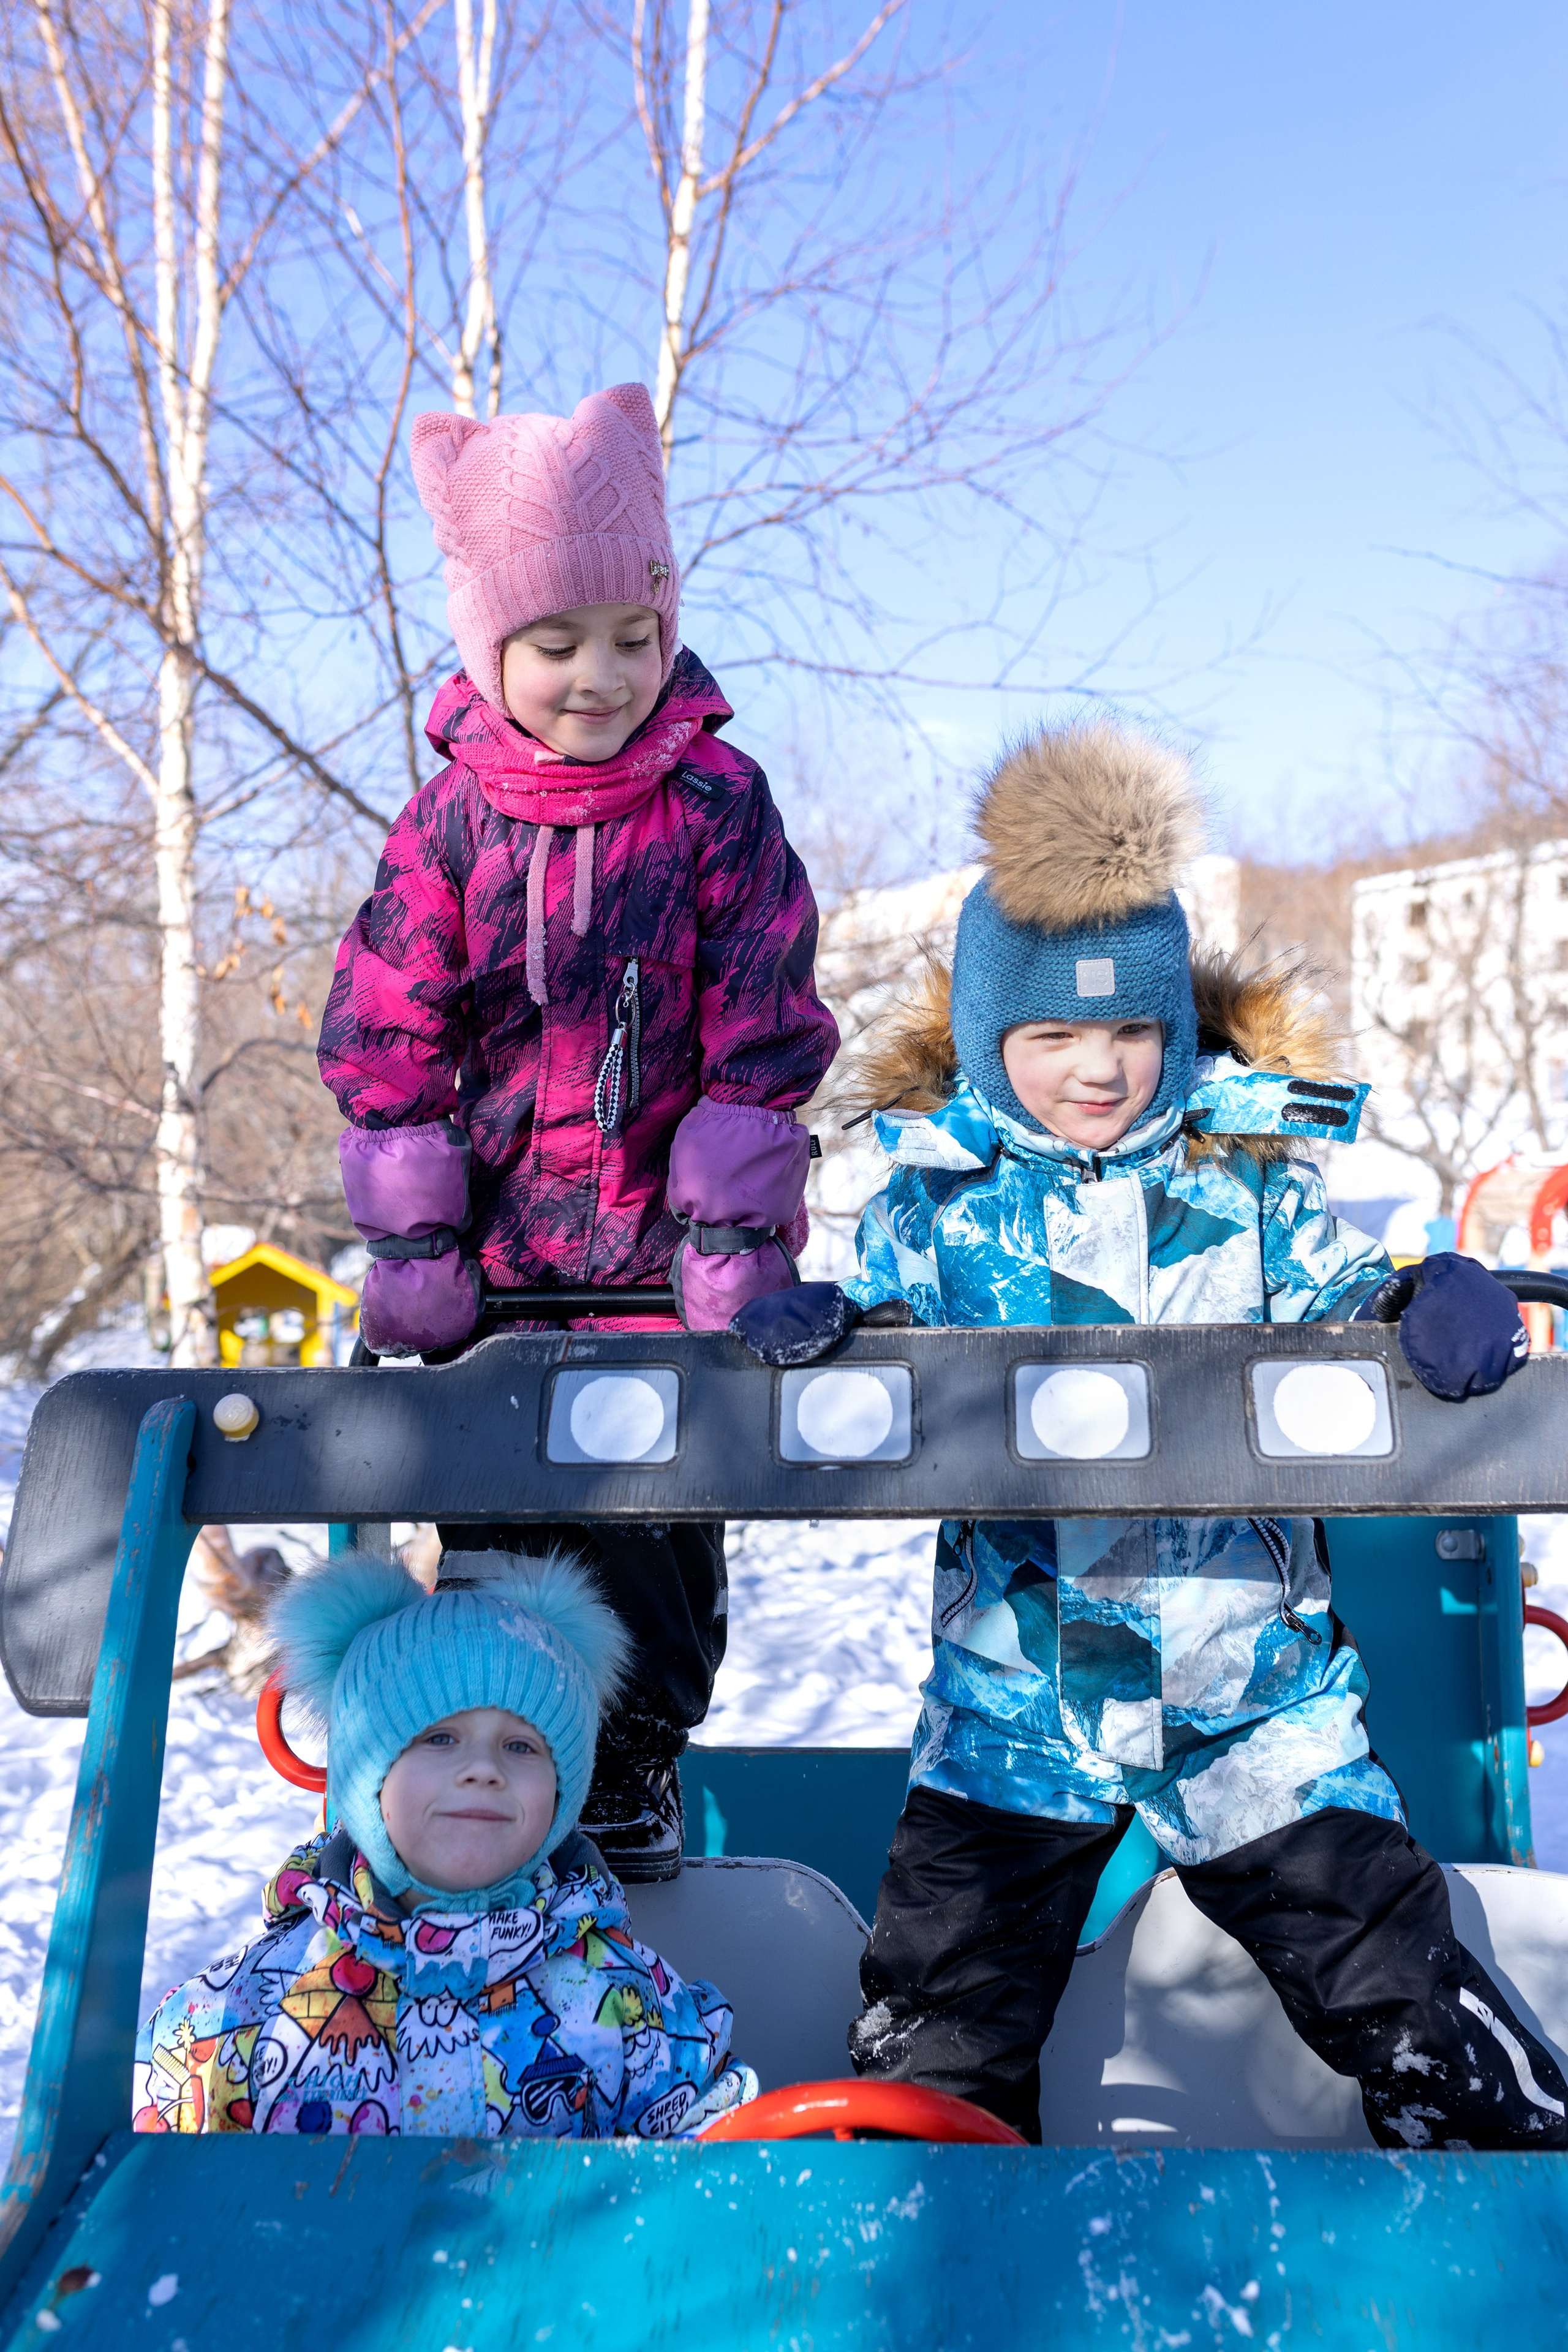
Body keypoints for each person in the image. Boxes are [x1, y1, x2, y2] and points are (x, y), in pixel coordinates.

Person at [734, 719, 1567, 2152]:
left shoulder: (1244, 1188)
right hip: (1017, 1707)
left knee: (1391, 1969)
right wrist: (839, 1334)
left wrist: (1406, 1302)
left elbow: (1332, 1297)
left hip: (1250, 1698)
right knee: (939, 2013)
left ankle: (1504, 2192)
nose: (1098, 1067)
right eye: (1052, 1035)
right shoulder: (940, 1210)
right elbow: (887, 1337)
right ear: (989, 1041)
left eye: (1130, 1031)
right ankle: (922, 2217)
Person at [317, 383, 839, 1879]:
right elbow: (389, 1028)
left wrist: (730, 1234)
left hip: (664, 1275)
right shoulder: (448, 826)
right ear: (491, 650)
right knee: (500, 1551)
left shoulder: (715, 806)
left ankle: (636, 1774)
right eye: (555, 644)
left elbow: (761, 1010)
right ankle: (497, 1801)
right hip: (501, 1281)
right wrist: (417, 1244)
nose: (599, 675)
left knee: (656, 1547)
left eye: (631, 635)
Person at [134, 1551, 756, 2140]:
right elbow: (151, 2150)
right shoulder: (253, 2002)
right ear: (365, 1776)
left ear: (563, 1793)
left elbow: (719, 2151)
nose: (483, 1769)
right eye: (439, 1739)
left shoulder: (620, 1996)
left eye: (521, 1746)